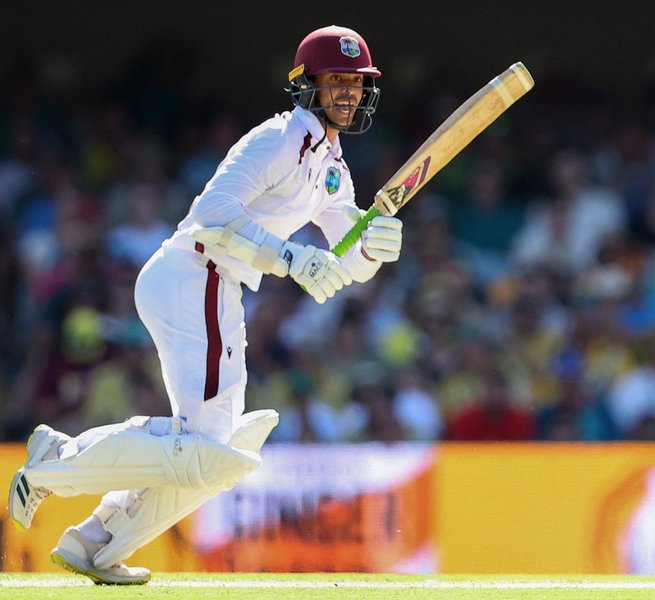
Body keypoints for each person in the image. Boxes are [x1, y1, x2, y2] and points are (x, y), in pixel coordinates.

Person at [7, 24, 402, 585]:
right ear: (307, 84)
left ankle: (95, 542)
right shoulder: (279, 140)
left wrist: (373, 250)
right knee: (209, 449)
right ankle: (56, 462)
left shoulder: (331, 168)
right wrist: (290, 258)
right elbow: (213, 215)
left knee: (214, 457)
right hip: (195, 274)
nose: (348, 93)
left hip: (214, 286)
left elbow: (345, 256)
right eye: (336, 80)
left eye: (356, 82)